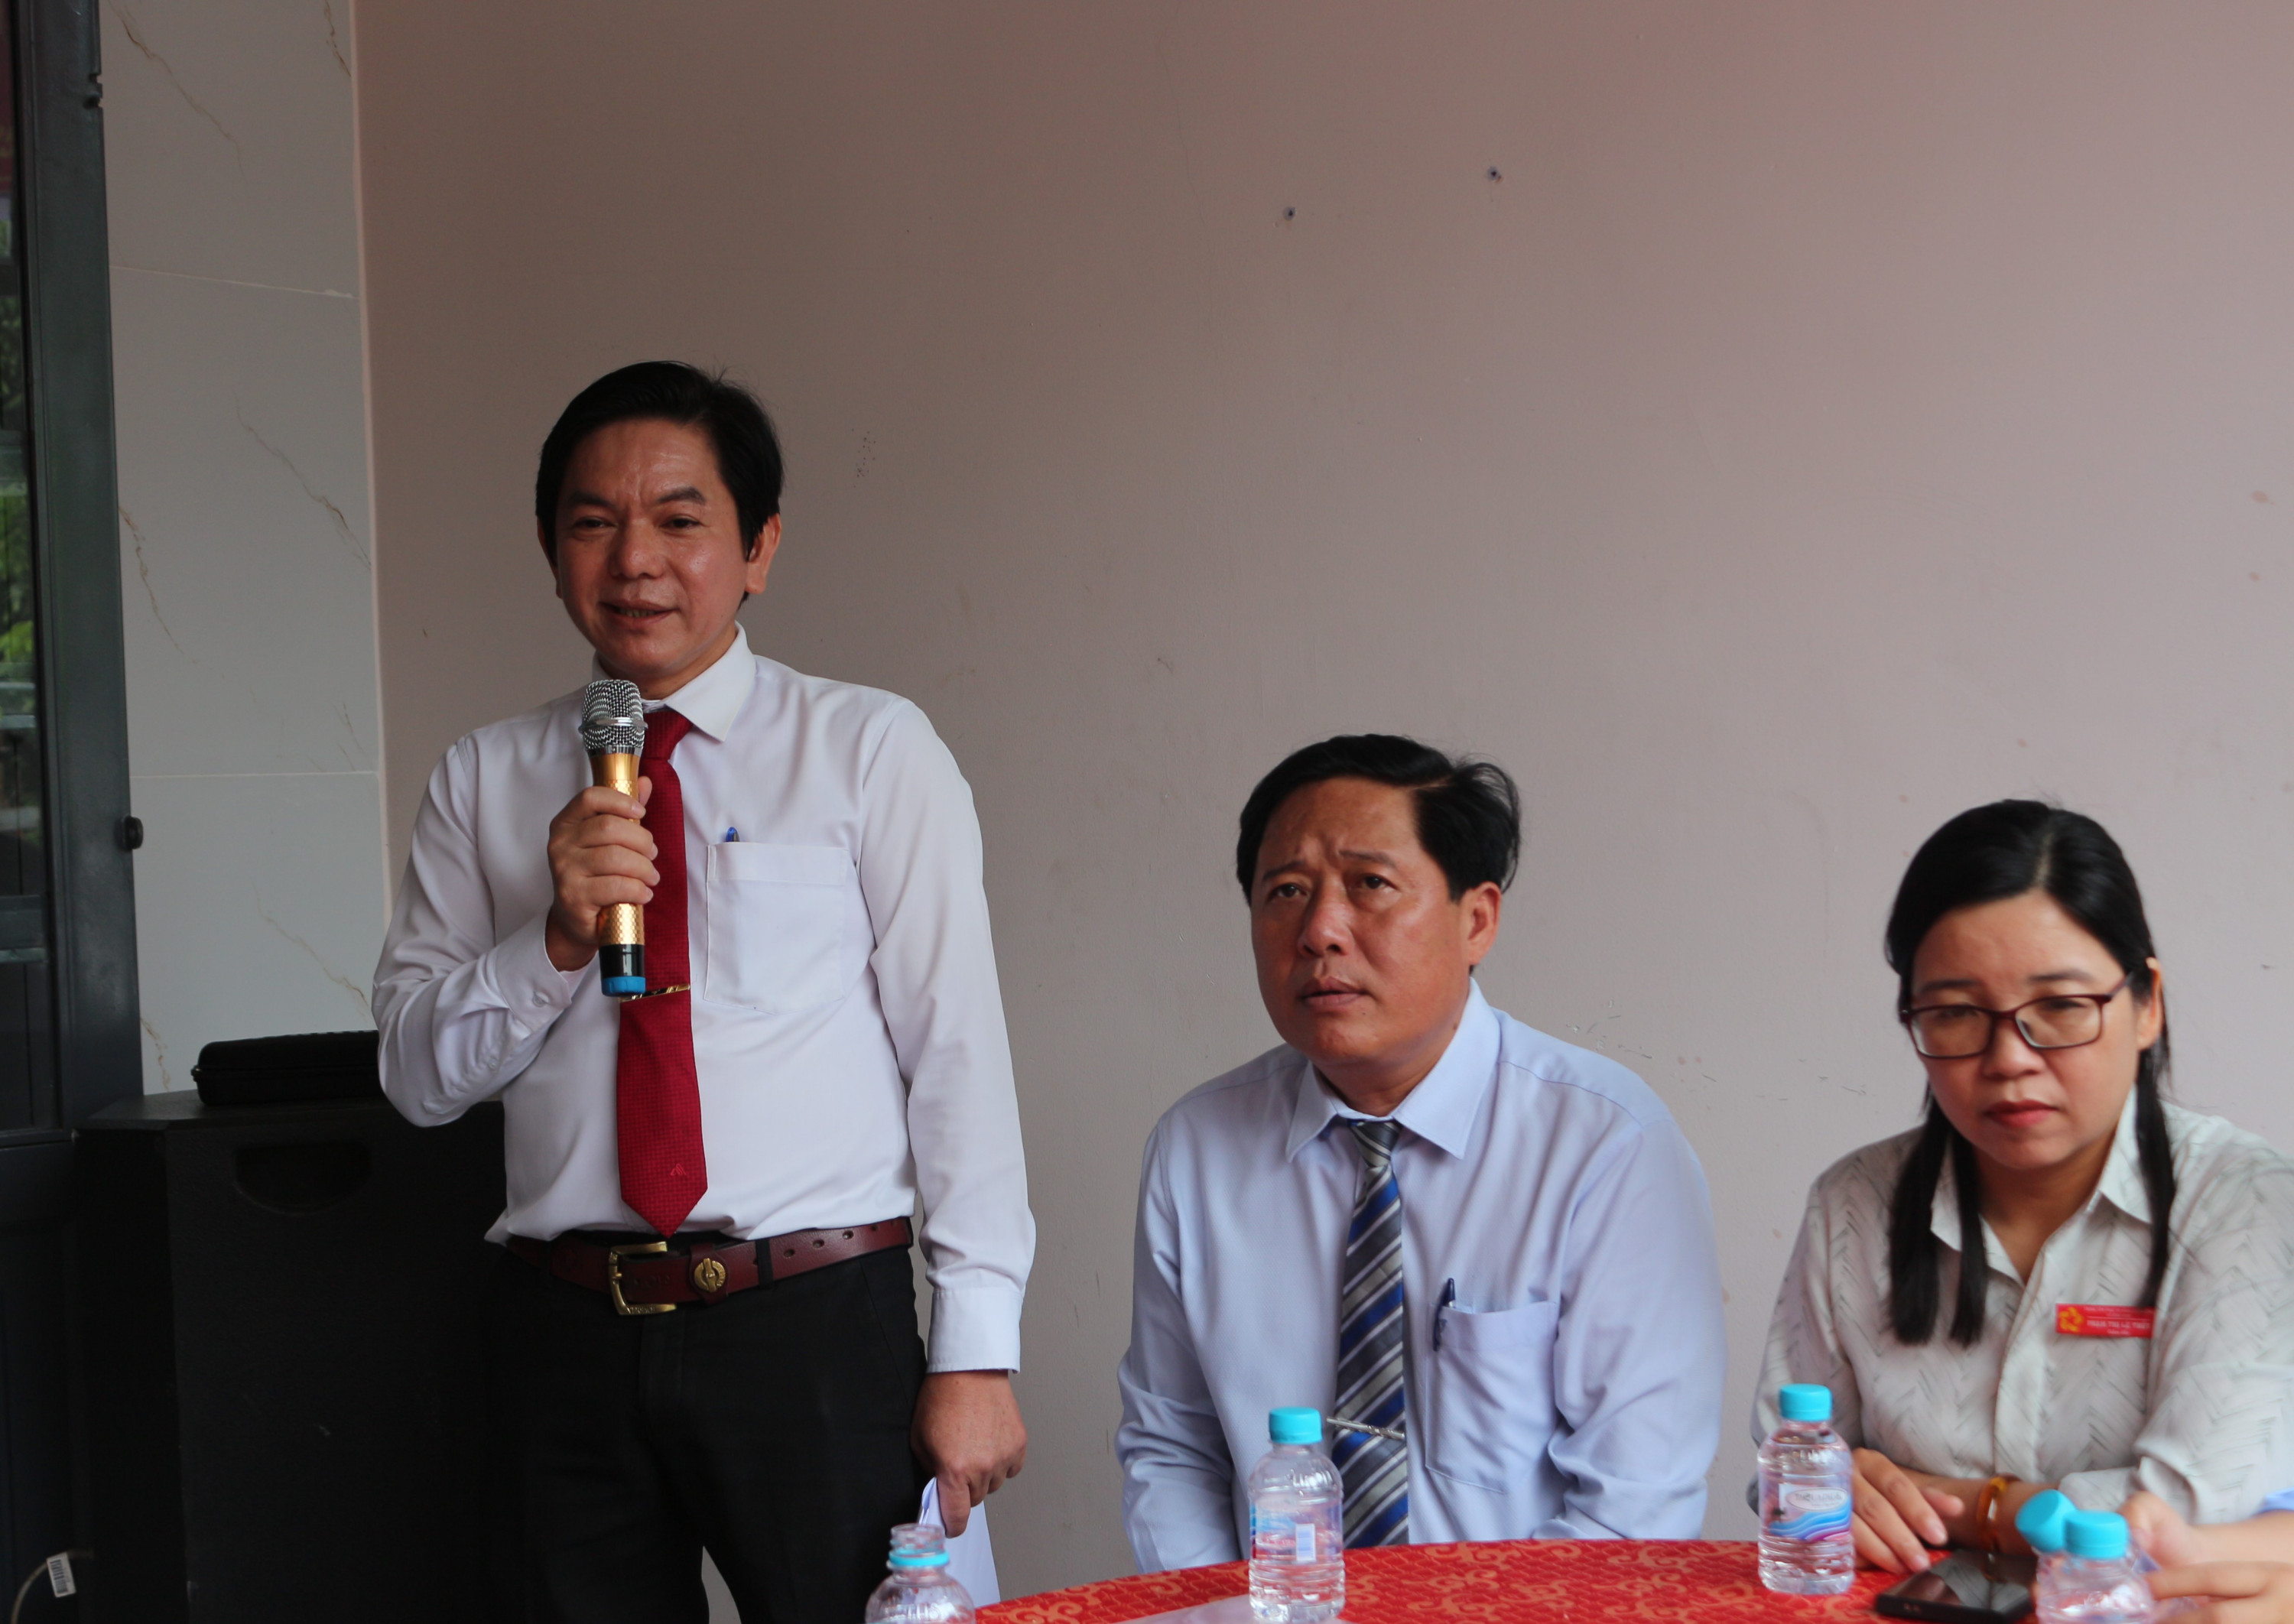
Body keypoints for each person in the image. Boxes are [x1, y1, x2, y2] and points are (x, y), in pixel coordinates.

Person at [372, 362, 1033, 1623]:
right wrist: (554, 939)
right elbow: (413, 1076)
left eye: (680, 520)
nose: (636, 561)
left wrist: (976, 1351)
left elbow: (956, 1055)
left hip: (811, 1321)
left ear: (759, 547)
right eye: (593, 521)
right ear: (550, 550)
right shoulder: (482, 777)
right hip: (563, 1329)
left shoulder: (870, 749)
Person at [1116, 734, 1725, 1568]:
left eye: (1370, 884)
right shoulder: (1197, 1151)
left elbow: (1633, 1508)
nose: (1320, 930)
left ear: (1477, 920)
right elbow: (1173, 1451)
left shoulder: (1605, 1146)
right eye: (1286, 891)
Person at [1756, 801, 2294, 1576]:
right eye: (1956, 1013)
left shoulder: (2247, 1204)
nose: (2010, 1058)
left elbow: (2184, 1515)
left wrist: (1981, 1509)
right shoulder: (1855, 1204)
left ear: (2147, 1005)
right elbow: (1788, 1480)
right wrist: (1851, 1492)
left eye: (2062, 1007)